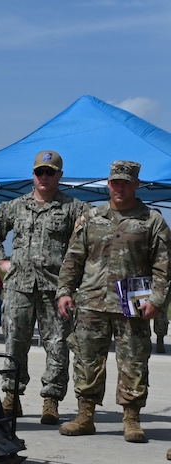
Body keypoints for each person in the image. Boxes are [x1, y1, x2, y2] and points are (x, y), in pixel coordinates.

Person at [56, 160, 170, 444]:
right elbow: (73, 258)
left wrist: (157, 300)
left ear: (137, 185)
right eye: (115, 182)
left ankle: (131, 419)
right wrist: (65, 291)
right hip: (92, 302)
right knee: (86, 361)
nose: (120, 187)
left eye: (126, 183)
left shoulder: (151, 220)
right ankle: (85, 416)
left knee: (133, 362)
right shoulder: (92, 217)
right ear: (108, 184)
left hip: (133, 306)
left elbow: (163, 265)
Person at [0, 150, 89, 424]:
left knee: (57, 344)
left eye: (50, 172)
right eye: (40, 171)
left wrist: (75, 279)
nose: (44, 177)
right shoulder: (15, 207)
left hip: (56, 288)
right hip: (19, 286)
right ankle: (11, 397)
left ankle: (51, 400)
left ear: (59, 176)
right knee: (14, 342)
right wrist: (1, 262)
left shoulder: (74, 209)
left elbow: (89, 242)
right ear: (33, 174)